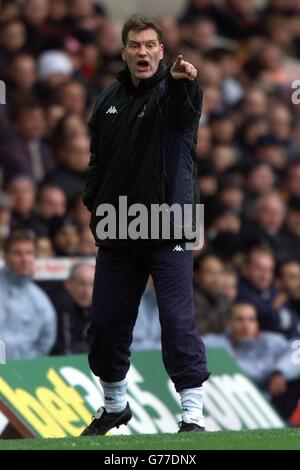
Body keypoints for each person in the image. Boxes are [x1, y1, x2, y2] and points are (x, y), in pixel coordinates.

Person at [81, 15, 209, 436]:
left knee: (176, 321)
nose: (142, 51)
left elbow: (181, 113)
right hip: (119, 226)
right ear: (124, 51)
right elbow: (97, 159)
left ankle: (192, 415)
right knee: (104, 324)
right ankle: (114, 406)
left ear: (161, 50)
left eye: (150, 44)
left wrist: (179, 82)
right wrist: (93, 202)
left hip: (169, 224)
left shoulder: (178, 89)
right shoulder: (107, 99)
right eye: (134, 44)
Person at [203, 302, 300, 422]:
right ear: (228, 324)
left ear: (257, 323)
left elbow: (297, 351)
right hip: (231, 404)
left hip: (274, 404)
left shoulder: (273, 342)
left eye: (251, 320)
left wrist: (280, 372)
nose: (246, 325)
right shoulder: (213, 344)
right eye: (240, 320)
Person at [0, 230, 56, 359]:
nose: (24, 259)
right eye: (17, 253)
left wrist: (26, 365)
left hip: (23, 374)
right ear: (6, 256)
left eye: (29, 253)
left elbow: (46, 341)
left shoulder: (40, 299)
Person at [50, 263, 94, 355]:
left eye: (91, 285)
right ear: (68, 284)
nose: (86, 291)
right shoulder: (57, 309)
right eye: (82, 284)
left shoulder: (100, 310)